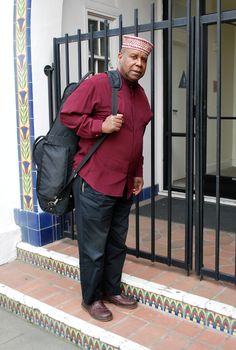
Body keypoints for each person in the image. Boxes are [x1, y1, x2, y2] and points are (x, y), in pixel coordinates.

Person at [60, 34, 153, 322]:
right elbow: (68, 115)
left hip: (123, 184)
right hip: (95, 182)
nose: (139, 63)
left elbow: (137, 137)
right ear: (120, 58)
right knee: (93, 247)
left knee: (116, 243)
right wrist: (101, 125)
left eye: (144, 59)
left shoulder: (140, 95)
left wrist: (137, 172)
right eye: (134, 57)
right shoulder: (99, 83)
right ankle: (91, 299)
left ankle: (112, 289)